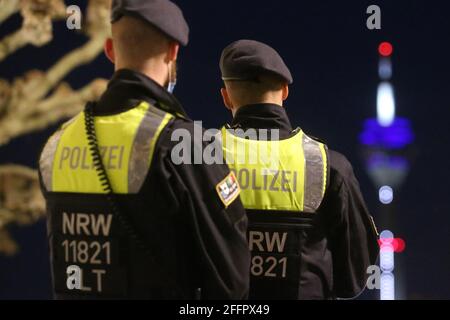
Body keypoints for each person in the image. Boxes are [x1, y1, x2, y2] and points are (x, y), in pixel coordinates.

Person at [38, 0, 250, 299]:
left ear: (110, 49)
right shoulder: (186, 143)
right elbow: (232, 279)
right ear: (173, 51)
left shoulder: (57, 144)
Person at [218, 39, 379, 300]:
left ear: (226, 97)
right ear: (284, 91)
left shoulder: (200, 158)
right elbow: (353, 278)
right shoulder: (328, 165)